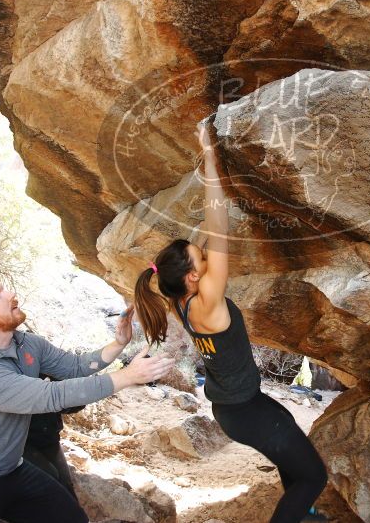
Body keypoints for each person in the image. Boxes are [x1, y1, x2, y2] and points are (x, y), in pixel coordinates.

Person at [131, 119, 328, 523]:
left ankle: (303, 516)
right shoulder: (207, 303)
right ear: (194, 277)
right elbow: (217, 225)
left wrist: (196, 243)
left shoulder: (179, 301)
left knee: (289, 438)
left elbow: (204, 235)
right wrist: (209, 156)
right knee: (314, 475)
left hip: (235, 407)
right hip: (244, 410)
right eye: (200, 260)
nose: (205, 255)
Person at [0, 273, 175, 523]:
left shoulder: (28, 344)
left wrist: (118, 344)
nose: (11, 294)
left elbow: (74, 367)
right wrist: (128, 376)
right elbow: (52, 395)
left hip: (9, 470)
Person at [22, 374, 85, 499]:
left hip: (48, 439)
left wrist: (80, 394)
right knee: (51, 482)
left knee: (67, 492)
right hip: (19, 443)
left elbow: (71, 404)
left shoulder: (47, 363)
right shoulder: (6, 367)